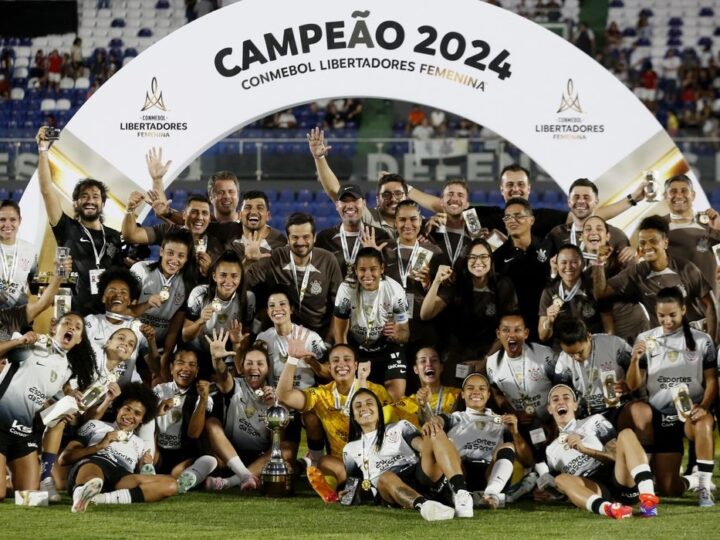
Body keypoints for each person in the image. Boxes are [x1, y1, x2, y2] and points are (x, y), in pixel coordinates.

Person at [625, 287, 717, 506]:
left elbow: (712, 380)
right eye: (662, 315)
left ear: (683, 310)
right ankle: (692, 480)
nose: (667, 320)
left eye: (672, 314)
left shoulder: (702, 340)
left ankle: (705, 487)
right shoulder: (646, 339)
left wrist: (704, 405)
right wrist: (635, 360)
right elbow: (632, 385)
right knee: (668, 490)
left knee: (704, 423)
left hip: (691, 411)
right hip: (661, 414)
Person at [0, 312, 96, 501]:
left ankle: (8, 479)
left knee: (31, 495)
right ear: (54, 328)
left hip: (22, 432)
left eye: (77, 328)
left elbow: (42, 403)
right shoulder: (33, 343)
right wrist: (18, 342)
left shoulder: (66, 369)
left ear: (79, 340)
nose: (71, 328)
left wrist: (63, 411)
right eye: (67, 323)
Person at [407, 164, 646, 239]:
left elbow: (589, 216)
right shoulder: (486, 215)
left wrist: (633, 198)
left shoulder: (544, 217)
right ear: (501, 190)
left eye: (520, 184)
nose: (515, 189)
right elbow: (444, 206)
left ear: (529, 189)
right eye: (509, 185)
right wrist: (405, 189)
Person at [340, 388, 471, 520]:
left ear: (379, 410)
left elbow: (421, 446)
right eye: (358, 406)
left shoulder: (400, 427)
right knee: (384, 476)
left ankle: (462, 495)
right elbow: (356, 483)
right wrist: (349, 493)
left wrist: (436, 440)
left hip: (419, 475)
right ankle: (426, 507)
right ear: (353, 416)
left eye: (369, 403)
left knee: (434, 432)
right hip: (390, 487)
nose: (364, 408)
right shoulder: (350, 449)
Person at [37, 126, 123, 315]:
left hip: (105, 317)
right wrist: (43, 150)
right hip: (72, 315)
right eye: (84, 196)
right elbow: (46, 190)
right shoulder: (67, 228)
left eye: (95, 196)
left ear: (103, 203)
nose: (90, 200)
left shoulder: (114, 237)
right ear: (76, 203)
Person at [60, 382, 185, 512]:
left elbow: (141, 476)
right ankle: (81, 494)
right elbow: (64, 459)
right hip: (94, 462)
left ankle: (98, 499)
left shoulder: (140, 444)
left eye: (137, 413)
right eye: (127, 409)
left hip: (121, 475)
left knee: (171, 485)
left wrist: (144, 466)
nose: (130, 416)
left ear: (143, 419)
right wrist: (98, 447)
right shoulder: (95, 425)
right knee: (94, 476)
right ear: (118, 408)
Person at [593, 215, 717, 342]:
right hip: (665, 342)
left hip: (695, 336)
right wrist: (599, 263)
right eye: (642, 243)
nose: (647, 247)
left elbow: (710, 305)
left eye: (653, 241)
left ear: (665, 243)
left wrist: (711, 342)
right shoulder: (636, 272)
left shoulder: (686, 268)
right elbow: (601, 292)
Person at [546, 384, 660, 519]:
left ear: (575, 405)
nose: (561, 402)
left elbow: (616, 456)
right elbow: (561, 486)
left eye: (566, 398)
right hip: (594, 488)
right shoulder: (550, 450)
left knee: (626, 434)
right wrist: (548, 492)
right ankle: (609, 510)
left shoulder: (594, 421)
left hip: (618, 478)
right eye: (555, 399)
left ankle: (649, 501)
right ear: (549, 409)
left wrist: (585, 450)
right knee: (560, 479)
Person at [425, 373, 532, 505]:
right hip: (460, 472)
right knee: (449, 444)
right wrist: (434, 421)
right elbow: (437, 421)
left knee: (508, 446)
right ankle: (461, 493)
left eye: (482, 389)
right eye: (470, 388)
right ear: (462, 394)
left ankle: (491, 494)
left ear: (488, 394)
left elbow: (528, 461)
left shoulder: (501, 421)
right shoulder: (455, 418)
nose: (476, 392)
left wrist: (515, 432)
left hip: (489, 474)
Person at [277, 343, 392, 465]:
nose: (341, 364)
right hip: (340, 463)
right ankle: (314, 461)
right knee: (325, 461)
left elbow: (390, 428)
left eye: (347, 359)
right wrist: (292, 359)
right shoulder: (322, 394)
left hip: (375, 459)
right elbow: (284, 396)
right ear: (330, 367)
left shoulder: (377, 391)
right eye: (335, 361)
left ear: (355, 365)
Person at [203, 333, 288, 491]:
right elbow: (222, 375)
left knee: (285, 450)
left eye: (259, 363)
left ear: (267, 368)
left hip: (258, 457)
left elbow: (277, 443)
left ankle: (228, 483)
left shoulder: (275, 396)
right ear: (242, 368)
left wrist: (273, 408)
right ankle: (245, 476)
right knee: (212, 423)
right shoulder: (236, 386)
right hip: (229, 454)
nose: (254, 367)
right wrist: (217, 359)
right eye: (249, 363)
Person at [422, 238, 516, 380]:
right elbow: (426, 314)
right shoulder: (457, 283)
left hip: (490, 355)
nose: (478, 261)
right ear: (466, 261)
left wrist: (486, 361)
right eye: (472, 257)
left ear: (491, 259)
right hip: (457, 356)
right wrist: (436, 281)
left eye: (484, 256)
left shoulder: (502, 284)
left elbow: (507, 329)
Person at [553, 318, 653, 447]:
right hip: (587, 414)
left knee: (642, 411)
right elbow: (560, 393)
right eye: (571, 354)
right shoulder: (563, 361)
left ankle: (646, 462)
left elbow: (633, 384)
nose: (576, 358)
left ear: (589, 336)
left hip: (618, 407)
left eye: (579, 352)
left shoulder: (613, 345)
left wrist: (628, 381)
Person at [255, 289, 328, 461]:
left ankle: (316, 461)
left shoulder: (310, 337)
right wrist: (264, 389)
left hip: (305, 397)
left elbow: (327, 371)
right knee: (276, 422)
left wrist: (312, 362)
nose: (277, 309)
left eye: (282, 304)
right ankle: (281, 461)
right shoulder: (263, 338)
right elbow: (257, 372)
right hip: (278, 399)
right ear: (267, 311)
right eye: (272, 305)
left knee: (311, 417)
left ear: (291, 309)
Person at [246, 212, 342, 338]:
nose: (300, 242)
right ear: (288, 239)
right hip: (280, 332)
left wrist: (331, 340)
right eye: (295, 237)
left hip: (318, 333)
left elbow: (339, 304)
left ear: (314, 237)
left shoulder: (328, 260)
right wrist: (248, 261)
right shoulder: (276, 257)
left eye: (306, 237)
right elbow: (243, 282)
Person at [332, 247, 409, 400]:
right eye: (362, 269)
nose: (367, 275)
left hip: (386, 347)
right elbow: (340, 335)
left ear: (382, 269)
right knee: (351, 395)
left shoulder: (395, 291)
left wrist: (397, 333)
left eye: (373, 269)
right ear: (355, 270)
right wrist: (345, 361)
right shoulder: (347, 288)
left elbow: (405, 334)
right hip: (356, 348)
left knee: (395, 398)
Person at [308, 127, 408, 238]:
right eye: (386, 194)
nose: (393, 199)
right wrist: (319, 158)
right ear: (377, 200)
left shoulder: (418, 222)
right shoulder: (370, 217)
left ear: (406, 197)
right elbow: (335, 192)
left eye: (398, 194)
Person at [131, 229, 196, 380]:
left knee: (159, 377)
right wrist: (147, 304)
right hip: (133, 335)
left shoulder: (187, 284)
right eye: (170, 253)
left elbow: (175, 325)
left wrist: (166, 355)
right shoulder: (140, 270)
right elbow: (127, 311)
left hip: (156, 345)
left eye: (181, 256)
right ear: (161, 251)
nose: (174, 259)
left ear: (186, 259)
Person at [152, 349, 218, 490]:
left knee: (210, 460)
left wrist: (203, 399)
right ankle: (162, 475)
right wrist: (157, 411)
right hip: (158, 453)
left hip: (184, 455)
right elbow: (144, 424)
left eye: (191, 365)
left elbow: (194, 433)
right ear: (171, 368)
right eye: (180, 363)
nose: (186, 368)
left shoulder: (204, 396)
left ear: (196, 371)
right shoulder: (159, 390)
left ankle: (182, 479)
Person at [183, 251, 255, 378]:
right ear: (214, 276)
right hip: (198, 351)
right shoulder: (199, 294)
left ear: (240, 278)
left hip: (227, 352)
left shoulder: (248, 299)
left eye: (234, 276)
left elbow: (245, 338)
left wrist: (237, 344)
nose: (228, 281)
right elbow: (185, 337)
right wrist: (201, 320)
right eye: (223, 275)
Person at [84, 266, 158, 384]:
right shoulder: (90, 322)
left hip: (119, 397)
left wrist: (152, 341)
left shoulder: (137, 328)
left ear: (129, 301)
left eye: (123, 292)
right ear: (103, 298)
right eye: (112, 290)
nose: (118, 294)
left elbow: (156, 369)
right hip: (85, 390)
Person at [580, 215, 649, 343]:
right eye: (588, 229)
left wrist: (634, 253)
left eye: (599, 229)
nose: (593, 232)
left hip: (638, 327)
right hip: (608, 333)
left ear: (608, 236)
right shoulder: (580, 272)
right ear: (582, 237)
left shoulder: (623, 258)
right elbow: (602, 309)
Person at [493, 198, 551, 342]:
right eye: (508, 217)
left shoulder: (548, 246)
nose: (512, 220)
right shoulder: (498, 256)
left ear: (531, 220)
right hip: (516, 329)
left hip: (546, 322)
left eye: (518, 216)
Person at [659, 174, 720, 295]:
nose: (679, 195)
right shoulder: (658, 226)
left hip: (711, 298)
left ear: (693, 195)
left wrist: (717, 230)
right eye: (673, 191)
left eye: (684, 191)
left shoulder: (710, 222)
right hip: (675, 301)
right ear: (665, 196)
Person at [315, 184, 391, 280]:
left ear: (364, 204)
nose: (350, 205)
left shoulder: (380, 236)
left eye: (354, 200)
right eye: (344, 201)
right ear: (337, 205)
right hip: (336, 294)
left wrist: (374, 256)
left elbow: (388, 276)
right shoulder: (325, 238)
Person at [544, 178, 630, 258]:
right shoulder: (557, 234)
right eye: (576, 197)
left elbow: (630, 271)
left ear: (596, 202)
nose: (581, 201)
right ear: (569, 202)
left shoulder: (616, 235)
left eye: (586, 197)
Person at [538, 243, 606, 343]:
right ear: (556, 265)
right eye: (563, 262)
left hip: (592, 345)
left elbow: (607, 322)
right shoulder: (549, 291)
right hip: (563, 350)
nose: (568, 266)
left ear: (582, 264)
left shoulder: (594, 287)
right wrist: (549, 321)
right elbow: (542, 336)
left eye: (574, 262)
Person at [392, 347, 461, 427]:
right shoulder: (406, 403)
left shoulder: (457, 394)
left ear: (441, 367)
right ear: (416, 369)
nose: (429, 364)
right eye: (423, 361)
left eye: (434, 360)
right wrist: (423, 406)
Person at [230, 190, 287, 264]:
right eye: (248, 207)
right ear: (240, 215)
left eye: (260, 208)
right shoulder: (229, 238)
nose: (253, 212)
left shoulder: (280, 242)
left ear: (268, 216)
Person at [0, 200, 37, 309]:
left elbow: (34, 286)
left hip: (19, 318)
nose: (7, 224)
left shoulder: (30, 250)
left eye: (13, 219)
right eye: (2, 219)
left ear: (19, 221)